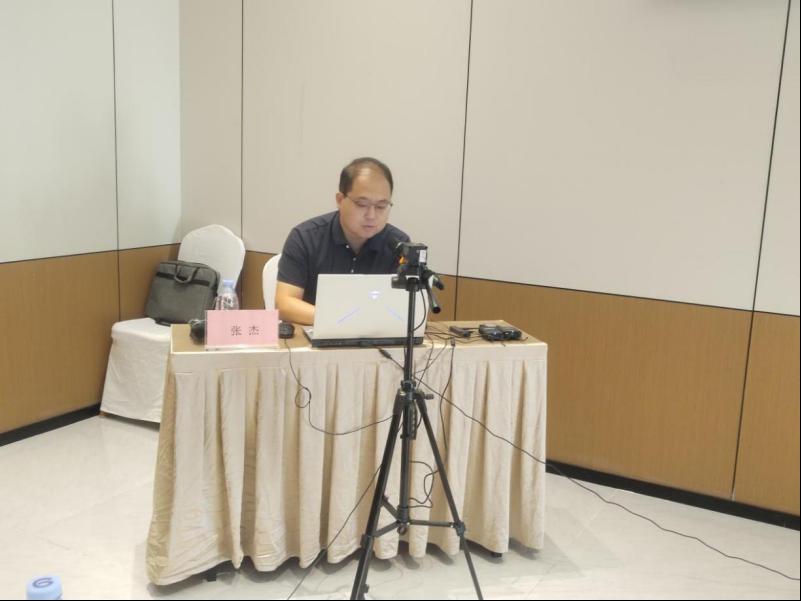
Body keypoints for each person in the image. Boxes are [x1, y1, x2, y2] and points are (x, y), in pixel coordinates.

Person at [275, 157, 410, 324]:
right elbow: (284, 304)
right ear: (340, 200)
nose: (371, 215)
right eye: (362, 204)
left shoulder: (399, 245)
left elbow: (405, 309)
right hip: (313, 333)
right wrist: (344, 319)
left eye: (381, 206)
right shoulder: (305, 237)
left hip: (374, 335)